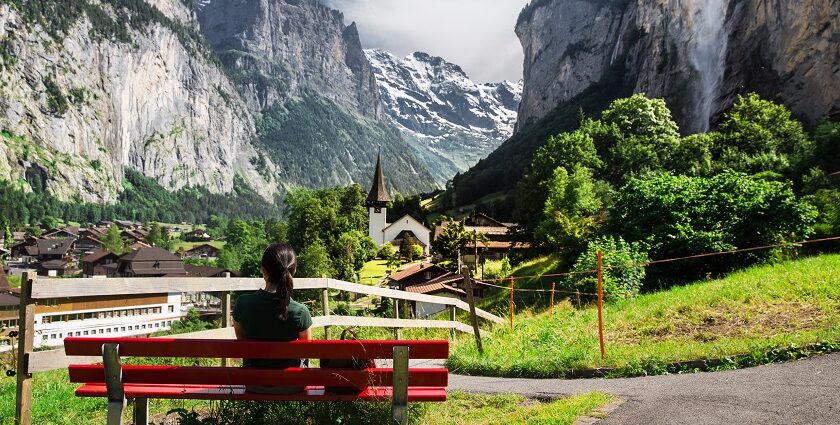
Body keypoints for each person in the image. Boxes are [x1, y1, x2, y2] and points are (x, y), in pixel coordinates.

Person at [232, 243, 312, 394]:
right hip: (290, 385)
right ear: (293, 271)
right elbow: (306, 352)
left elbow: (242, 342)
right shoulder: (300, 312)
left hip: (253, 384)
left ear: (263, 270)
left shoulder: (242, 304)